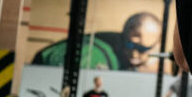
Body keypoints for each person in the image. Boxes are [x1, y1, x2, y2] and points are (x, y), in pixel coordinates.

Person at [31, 12, 162, 72]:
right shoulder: (95, 56)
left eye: (142, 49)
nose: (134, 54)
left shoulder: (120, 61)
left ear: (155, 48)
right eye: (130, 45)